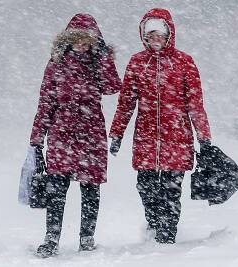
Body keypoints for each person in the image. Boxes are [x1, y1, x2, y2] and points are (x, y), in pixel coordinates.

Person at [109, 8, 212, 244]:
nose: (155, 41)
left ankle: (167, 236)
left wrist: (203, 137)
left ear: (168, 35)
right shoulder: (137, 62)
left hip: (177, 136)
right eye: (150, 36)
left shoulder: (184, 62)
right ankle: (154, 225)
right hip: (146, 137)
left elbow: (195, 103)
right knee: (145, 187)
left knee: (171, 190)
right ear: (144, 37)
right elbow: (126, 103)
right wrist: (116, 133)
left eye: (159, 36)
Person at [29, 13, 121, 257]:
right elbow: (46, 103)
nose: (81, 44)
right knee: (56, 189)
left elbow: (112, 86)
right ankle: (51, 237)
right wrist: (36, 139)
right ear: (67, 40)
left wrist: (103, 57)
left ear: (94, 42)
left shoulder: (97, 63)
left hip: (92, 132)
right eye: (76, 39)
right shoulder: (56, 64)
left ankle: (87, 237)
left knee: (91, 188)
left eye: (87, 40)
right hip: (62, 133)